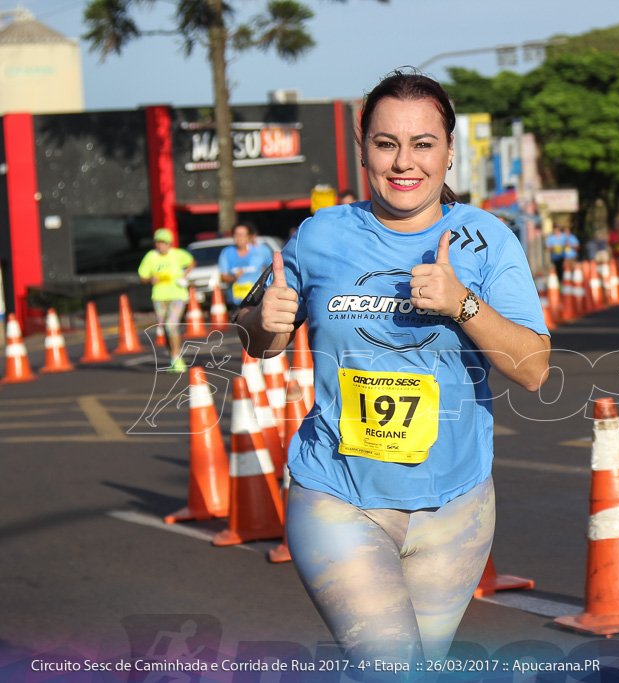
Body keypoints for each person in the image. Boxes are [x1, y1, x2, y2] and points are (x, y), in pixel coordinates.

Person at [235, 71, 551, 666]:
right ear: (363, 148)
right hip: (337, 496)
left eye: (424, 144)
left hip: (455, 509)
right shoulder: (318, 235)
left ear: (449, 150)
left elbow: (533, 369)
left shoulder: (488, 239)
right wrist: (267, 321)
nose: (405, 162)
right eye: (386, 143)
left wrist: (462, 303)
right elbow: (253, 338)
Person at [137, 228, 194, 373]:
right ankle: (173, 357)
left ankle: (177, 358)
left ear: (169, 244)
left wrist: (184, 276)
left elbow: (192, 262)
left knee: (171, 325)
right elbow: (142, 276)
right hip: (159, 297)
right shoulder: (151, 257)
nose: (161, 246)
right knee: (165, 329)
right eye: (159, 243)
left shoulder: (177, 255)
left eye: (164, 243)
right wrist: (150, 279)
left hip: (177, 295)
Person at [218, 222, 274, 307]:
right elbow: (223, 277)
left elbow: (272, 269)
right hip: (235, 303)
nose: (239, 238)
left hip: (258, 300)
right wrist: (234, 277)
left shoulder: (261, 251)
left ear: (249, 236)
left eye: (242, 235)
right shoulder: (226, 253)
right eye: (236, 235)